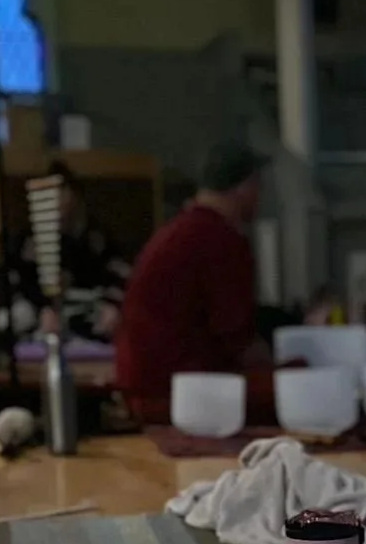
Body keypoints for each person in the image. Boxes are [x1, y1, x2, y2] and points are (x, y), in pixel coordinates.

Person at [115, 139, 272, 424]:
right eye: (259, 185)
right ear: (244, 186)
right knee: (300, 385)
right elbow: (239, 340)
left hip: (142, 383)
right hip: (176, 393)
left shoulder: (179, 230)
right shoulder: (220, 240)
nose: (261, 195)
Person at [17, 161, 130, 340]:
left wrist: (112, 305)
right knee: (19, 316)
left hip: (86, 308)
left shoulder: (95, 237)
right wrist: (43, 307)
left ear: (75, 195)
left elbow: (119, 274)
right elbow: (23, 281)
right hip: (41, 312)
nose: (57, 199)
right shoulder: (32, 239)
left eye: (63, 191)